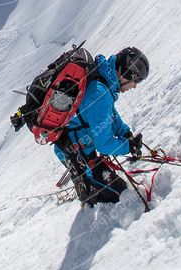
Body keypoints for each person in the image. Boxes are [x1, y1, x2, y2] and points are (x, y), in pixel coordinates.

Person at [54, 47, 149, 206]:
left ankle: (87, 186)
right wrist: (128, 147)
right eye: (136, 80)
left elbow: (110, 115)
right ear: (126, 74)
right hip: (76, 152)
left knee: (117, 192)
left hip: (80, 147)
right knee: (117, 198)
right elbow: (104, 145)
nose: (135, 86)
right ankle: (87, 195)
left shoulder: (103, 84)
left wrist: (125, 134)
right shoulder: (100, 93)